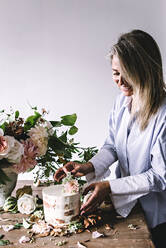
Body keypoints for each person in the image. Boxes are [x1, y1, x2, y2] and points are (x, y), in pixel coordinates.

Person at [54, 29, 166, 248]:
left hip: (158, 217)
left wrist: (110, 186)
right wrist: (89, 166)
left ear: (146, 70)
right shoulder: (121, 102)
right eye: (116, 73)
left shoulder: (163, 114)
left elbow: (160, 177)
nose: (120, 81)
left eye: (127, 73)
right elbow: (113, 145)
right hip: (126, 207)